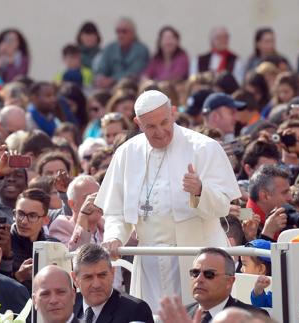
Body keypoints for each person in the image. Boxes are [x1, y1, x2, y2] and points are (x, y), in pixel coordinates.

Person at [96, 90, 241, 311]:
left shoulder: (204, 147)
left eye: (165, 122)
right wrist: (115, 237)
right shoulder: (127, 153)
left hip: (195, 258)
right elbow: (115, 210)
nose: (160, 132)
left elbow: (223, 206)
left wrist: (201, 190)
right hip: (149, 262)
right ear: (138, 123)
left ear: (173, 113)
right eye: (150, 127)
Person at [71, 244, 154, 323]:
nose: (96, 284)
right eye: (88, 277)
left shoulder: (135, 311)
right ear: (75, 279)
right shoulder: (69, 305)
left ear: (112, 273)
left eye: (102, 275)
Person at [185, 248, 268, 321]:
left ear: (229, 281)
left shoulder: (253, 319)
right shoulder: (181, 316)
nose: (199, 279)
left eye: (209, 274)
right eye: (195, 273)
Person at [49, 175, 102, 251]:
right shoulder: (60, 226)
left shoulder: (108, 225)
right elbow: (76, 256)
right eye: (89, 198)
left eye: (98, 196)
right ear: (72, 204)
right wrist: (83, 217)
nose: (96, 202)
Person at [93, 17, 149, 89]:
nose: (120, 35)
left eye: (124, 31)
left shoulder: (142, 50)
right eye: (118, 31)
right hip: (109, 89)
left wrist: (112, 80)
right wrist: (100, 79)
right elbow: (101, 69)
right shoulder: (109, 48)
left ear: (133, 33)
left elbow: (134, 73)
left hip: (132, 89)